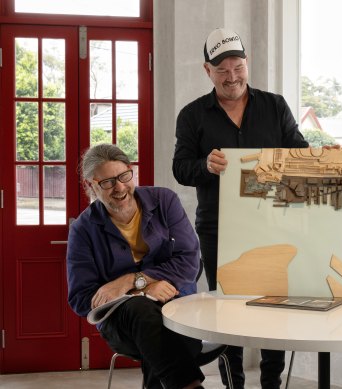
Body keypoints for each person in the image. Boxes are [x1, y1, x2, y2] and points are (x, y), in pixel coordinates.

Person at [172, 27, 309, 389]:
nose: (232, 77)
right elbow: (179, 167)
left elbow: (298, 151)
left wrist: (326, 157)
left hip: (274, 225)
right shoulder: (192, 115)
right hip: (219, 227)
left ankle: (271, 384)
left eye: (238, 67)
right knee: (228, 310)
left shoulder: (274, 105)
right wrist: (205, 165)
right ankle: (235, 384)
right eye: (222, 70)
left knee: (275, 308)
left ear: (247, 64)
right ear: (207, 71)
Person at [67, 143, 205, 389]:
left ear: (131, 172)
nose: (119, 188)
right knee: (143, 313)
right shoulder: (83, 229)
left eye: (123, 176)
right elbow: (81, 298)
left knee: (159, 338)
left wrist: (130, 281)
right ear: (91, 186)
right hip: (123, 324)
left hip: (176, 309)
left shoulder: (164, 201)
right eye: (107, 182)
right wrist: (142, 292)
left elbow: (189, 261)